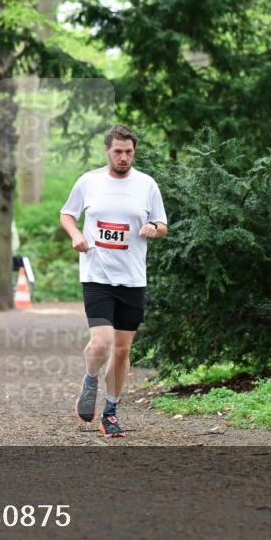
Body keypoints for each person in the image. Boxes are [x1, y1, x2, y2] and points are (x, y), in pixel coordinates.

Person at [59, 124, 167, 437]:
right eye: (118, 151)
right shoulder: (88, 181)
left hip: (132, 278)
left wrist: (153, 229)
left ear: (134, 152)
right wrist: (77, 234)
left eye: (129, 152)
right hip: (97, 274)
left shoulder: (146, 185)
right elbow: (67, 214)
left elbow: (162, 224)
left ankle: (111, 410)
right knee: (102, 342)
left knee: (121, 350)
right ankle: (90, 380)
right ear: (108, 150)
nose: (123, 157)